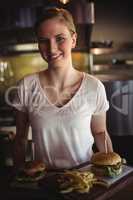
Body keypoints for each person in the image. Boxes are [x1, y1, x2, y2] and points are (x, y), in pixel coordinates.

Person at [12, 7, 113, 170]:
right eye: (44, 40)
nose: (51, 48)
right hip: (45, 181)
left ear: (73, 40)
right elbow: (21, 138)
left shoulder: (94, 87)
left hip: (85, 180)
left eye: (60, 38)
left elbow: (100, 133)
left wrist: (112, 169)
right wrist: (17, 178)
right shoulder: (27, 86)